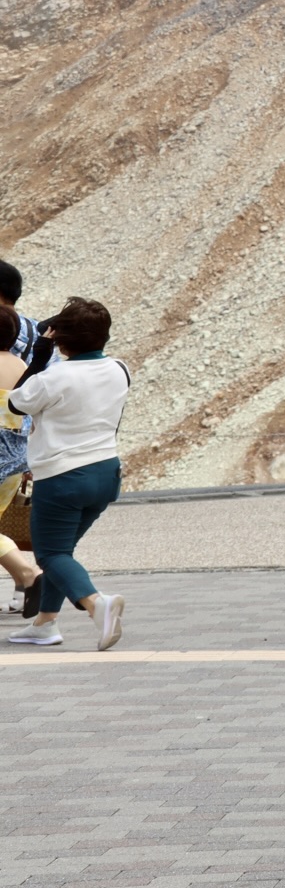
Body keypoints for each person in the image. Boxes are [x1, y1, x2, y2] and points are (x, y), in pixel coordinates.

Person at [4, 298, 127, 650]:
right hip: (106, 472)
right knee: (63, 550)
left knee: (51, 555)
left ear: (59, 338)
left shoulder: (53, 377)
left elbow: (15, 402)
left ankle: (96, 604)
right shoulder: (120, 369)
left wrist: (39, 355)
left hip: (62, 477)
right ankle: (45, 624)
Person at [0, 262, 48, 604]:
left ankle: (29, 576)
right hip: (19, 449)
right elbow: (43, 393)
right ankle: (26, 581)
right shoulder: (34, 333)